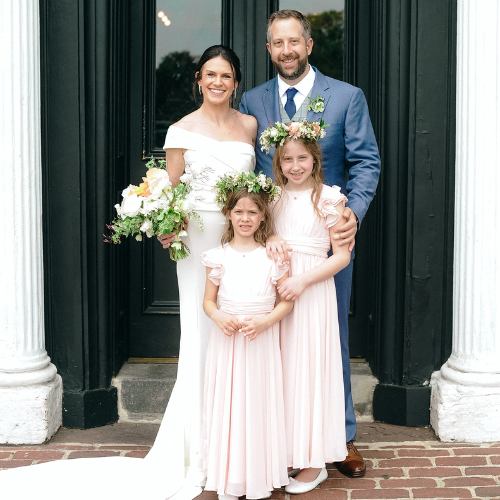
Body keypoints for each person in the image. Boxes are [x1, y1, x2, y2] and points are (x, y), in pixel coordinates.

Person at [0, 45, 257, 500]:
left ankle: (237, 444)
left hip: (243, 241)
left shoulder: (250, 126)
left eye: (227, 75)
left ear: (236, 82)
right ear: (198, 79)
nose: (218, 82)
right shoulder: (179, 131)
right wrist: (166, 227)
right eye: (210, 74)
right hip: (199, 242)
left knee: (238, 335)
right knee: (201, 335)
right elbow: (173, 194)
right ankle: (198, 450)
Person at [240, 9, 381, 477]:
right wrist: (263, 231)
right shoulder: (254, 102)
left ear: (308, 45)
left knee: (328, 339)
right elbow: (251, 176)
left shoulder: (345, 97)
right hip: (273, 245)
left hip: (324, 245)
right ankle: (281, 440)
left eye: (293, 42)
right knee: (277, 344)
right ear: (269, 49)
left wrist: (350, 216)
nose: (286, 51)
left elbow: (366, 163)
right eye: (277, 44)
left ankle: (340, 438)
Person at [261, 120, 350, 493]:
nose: (294, 166)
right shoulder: (272, 198)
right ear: (278, 164)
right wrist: (273, 237)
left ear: (314, 159)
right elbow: (263, 233)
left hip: (311, 290)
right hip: (278, 288)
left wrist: (303, 280)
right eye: (287, 160)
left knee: (310, 370)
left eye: (302, 158)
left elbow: (341, 256)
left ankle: (315, 461)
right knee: (283, 371)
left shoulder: (329, 198)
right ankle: (288, 450)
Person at [200, 174, 292, 500]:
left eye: (252, 213)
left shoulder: (272, 257)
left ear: (263, 216)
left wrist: (265, 322)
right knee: (229, 404)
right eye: (238, 212)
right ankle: (228, 476)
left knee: (258, 403)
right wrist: (219, 316)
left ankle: (262, 475)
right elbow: (208, 302)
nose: (245, 218)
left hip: (260, 341)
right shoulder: (217, 257)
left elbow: (286, 303)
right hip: (228, 342)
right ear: (228, 214)